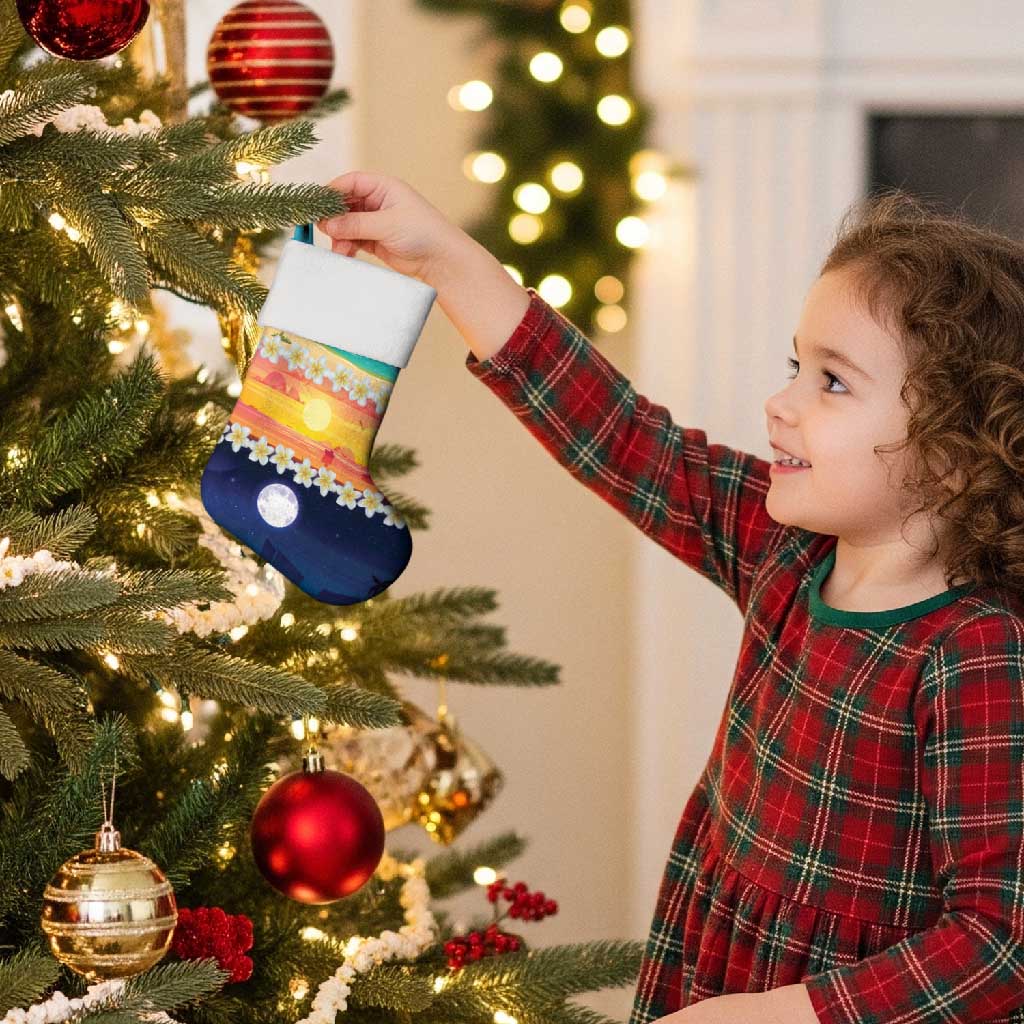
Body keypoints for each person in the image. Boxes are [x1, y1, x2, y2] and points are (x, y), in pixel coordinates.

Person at [317, 175, 1024, 1024]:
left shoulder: (977, 653)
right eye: (796, 367)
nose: (781, 404)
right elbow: (624, 437)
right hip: (713, 966)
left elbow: (999, 941)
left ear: (955, 454)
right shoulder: (788, 551)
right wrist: (447, 259)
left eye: (833, 383)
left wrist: (774, 1016)